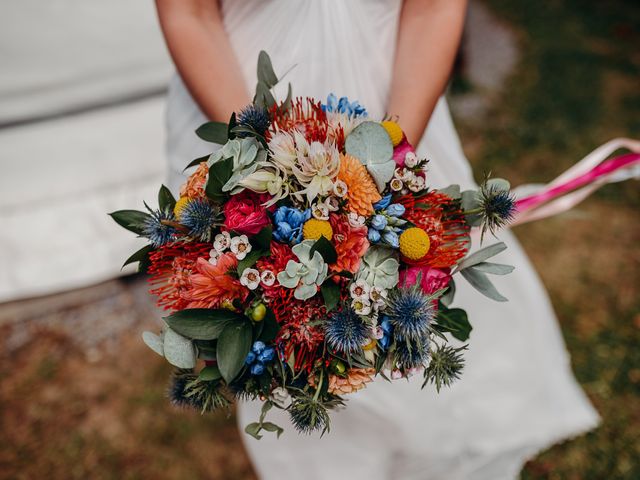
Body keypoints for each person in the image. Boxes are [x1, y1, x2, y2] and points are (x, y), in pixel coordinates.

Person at [155, 1, 599, 478]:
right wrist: (262, 164)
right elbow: (189, 12)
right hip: (235, 108)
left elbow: (433, 8)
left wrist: (393, 162)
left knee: (420, 305)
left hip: (395, 98)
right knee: (280, 331)